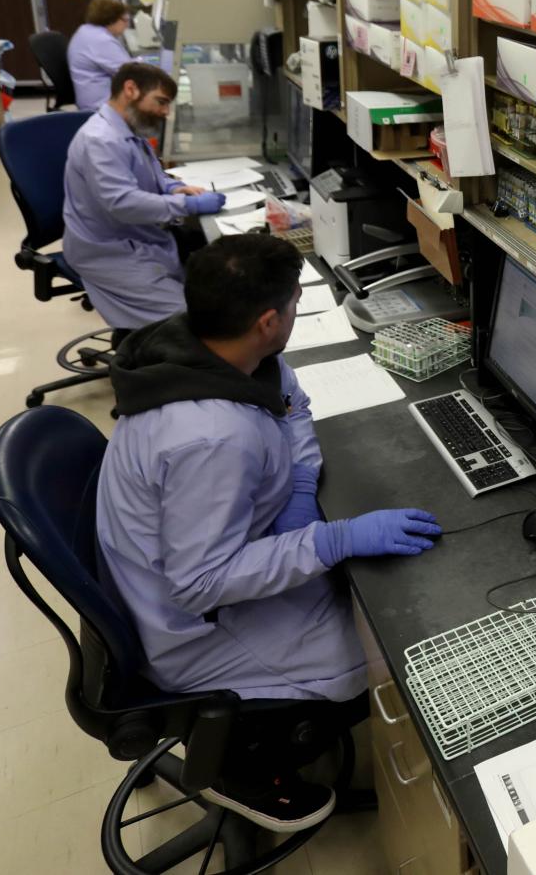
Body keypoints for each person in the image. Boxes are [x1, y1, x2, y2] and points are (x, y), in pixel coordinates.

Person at [95, 234, 441, 822]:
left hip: (210, 551)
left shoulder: (206, 347)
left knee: (351, 595)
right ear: (266, 320)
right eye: (294, 302)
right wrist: (329, 540)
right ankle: (243, 766)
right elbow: (199, 583)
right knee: (382, 654)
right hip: (196, 625)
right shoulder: (208, 438)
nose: (298, 307)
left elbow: (291, 404)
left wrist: (302, 482)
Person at [63, 63, 228, 330]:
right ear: (131, 89)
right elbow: (123, 202)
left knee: (214, 293)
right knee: (188, 322)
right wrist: (188, 204)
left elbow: (152, 175)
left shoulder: (128, 132)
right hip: (107, 252)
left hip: (137, 238)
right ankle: (154, 366)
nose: (165, 112)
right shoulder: (101, 140)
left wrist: (172, 188)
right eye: (161, 102)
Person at [69, 0, 136, 111]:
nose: (127, 25)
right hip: (100, 105)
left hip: (91, 98)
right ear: (111, 20)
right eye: (125, 20)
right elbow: (129, 73)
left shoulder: (86, 30)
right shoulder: (101, 40)